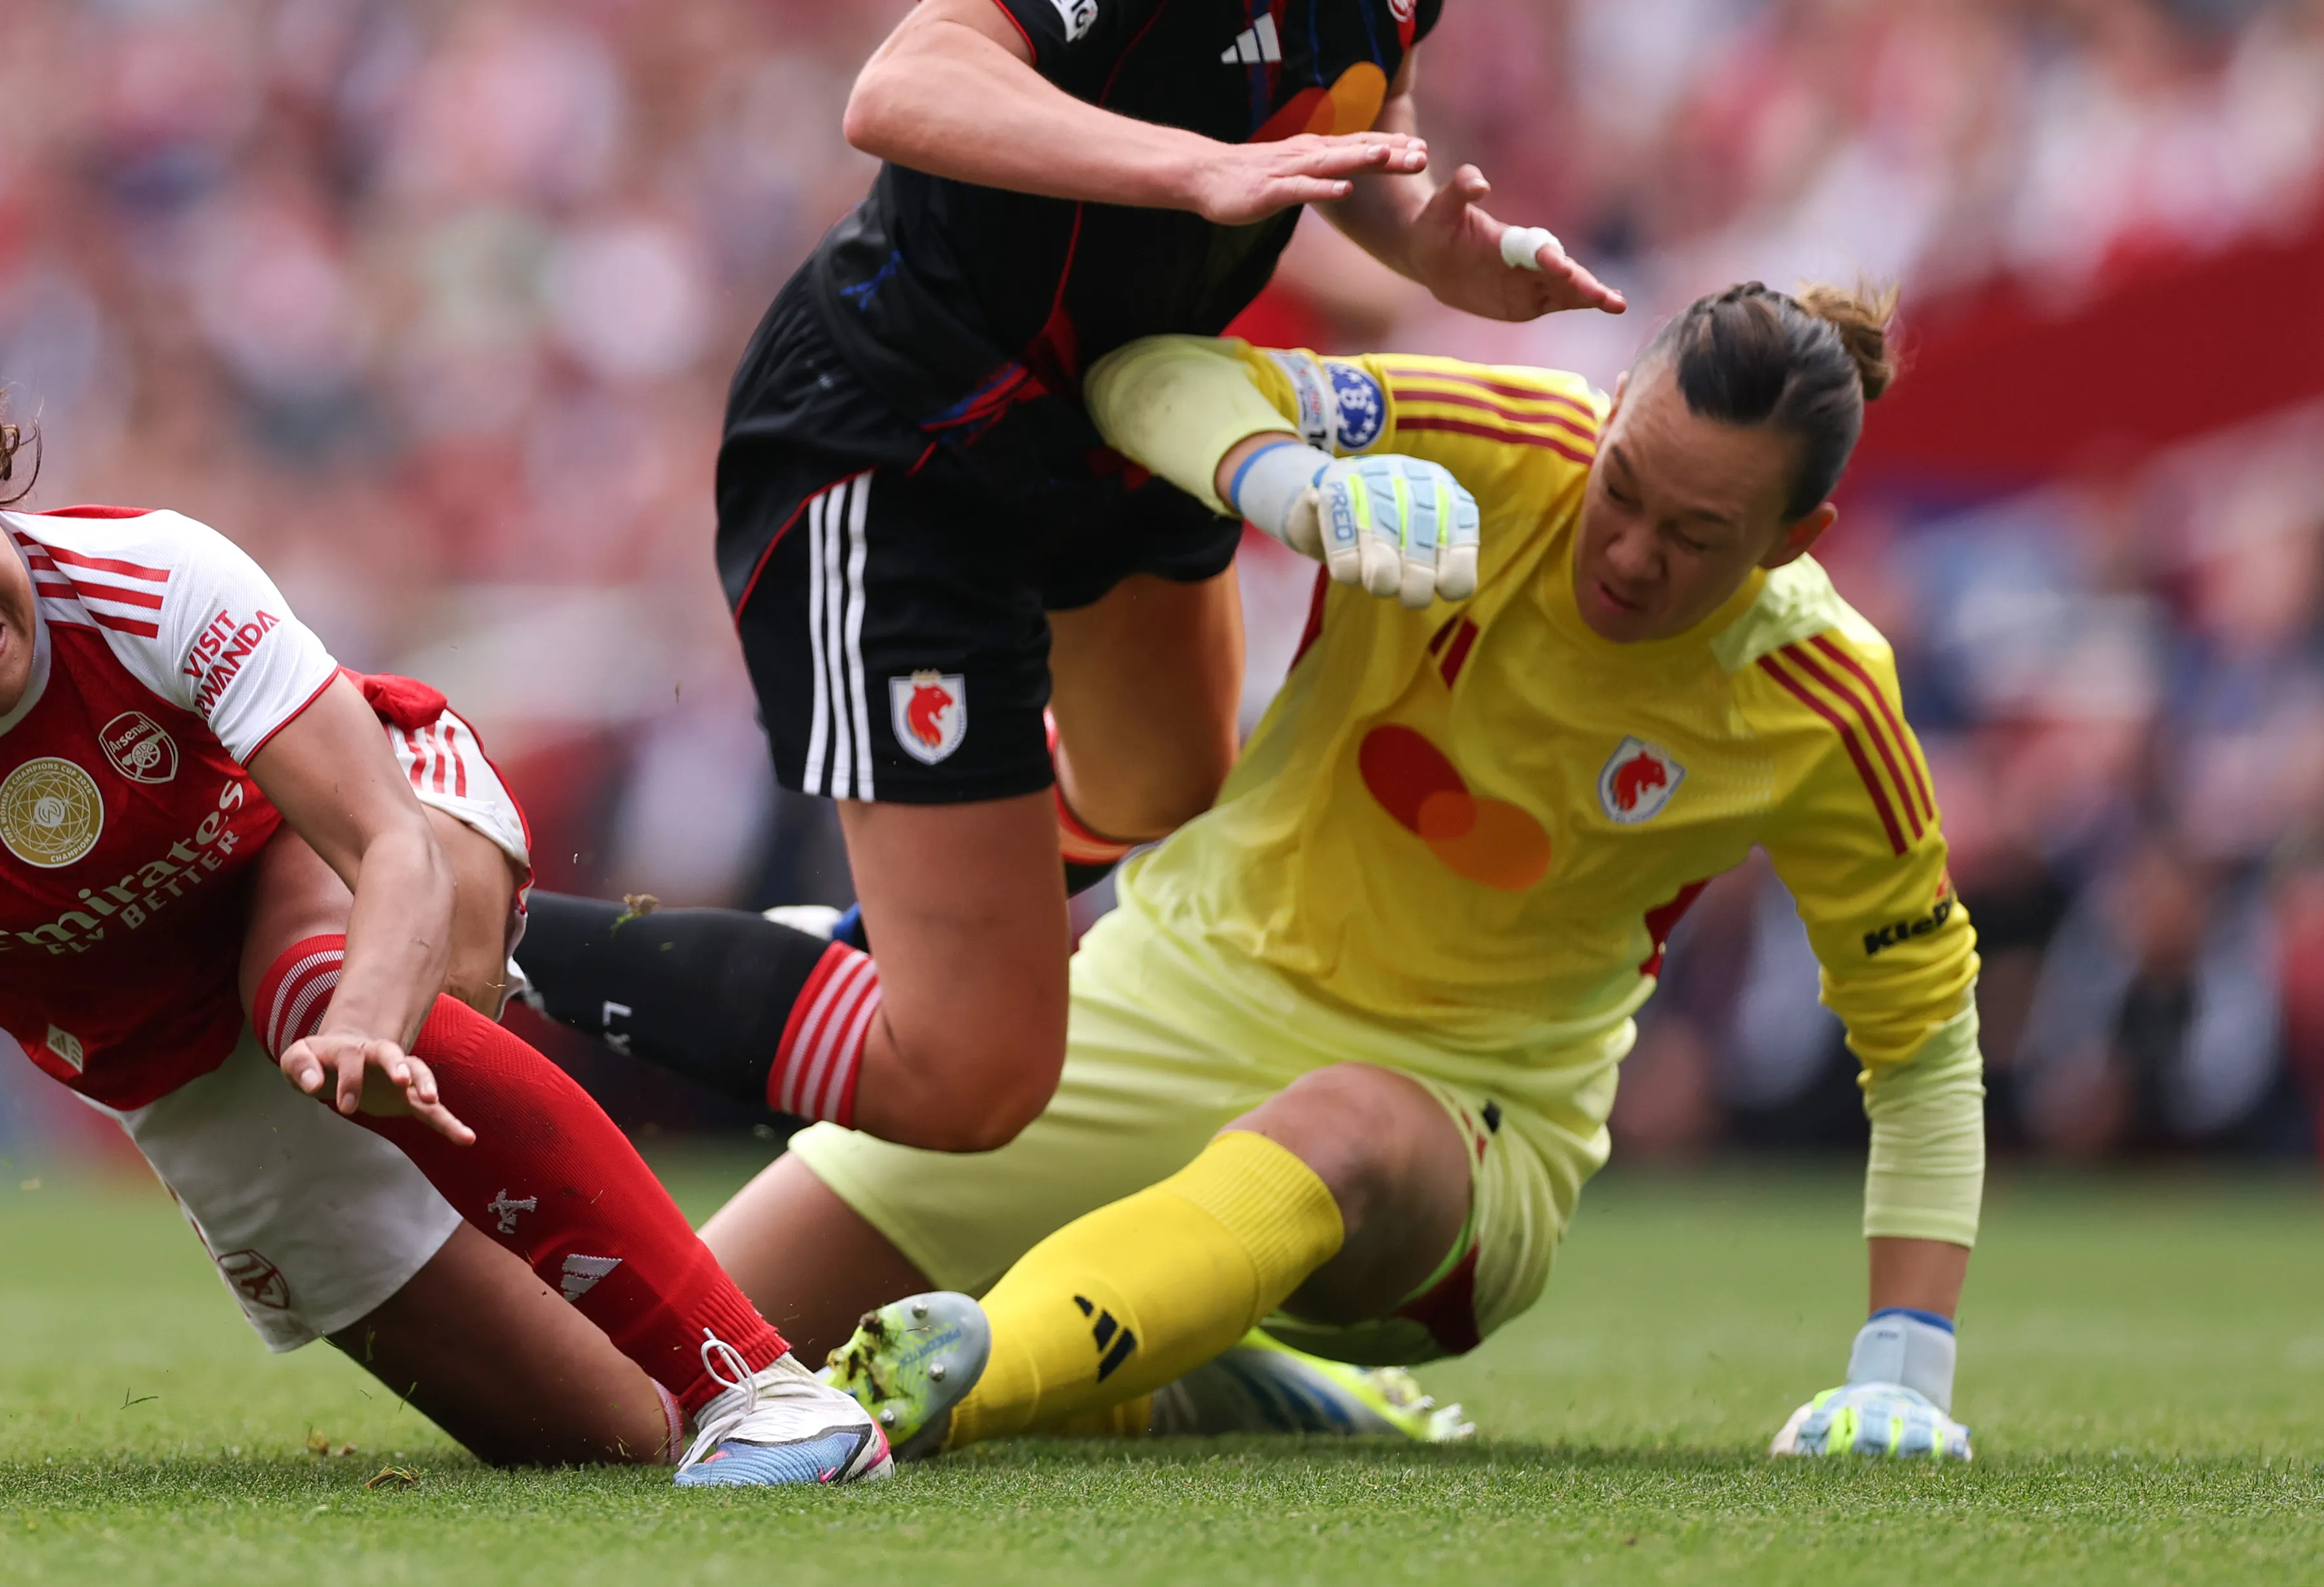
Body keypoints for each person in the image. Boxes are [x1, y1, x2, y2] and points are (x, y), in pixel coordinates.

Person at [514, 0, 1620, 1157]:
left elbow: (1345, 119)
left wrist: (1443, 248)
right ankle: (492, 938)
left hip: (1113, 416)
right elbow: (905, 87)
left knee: (1171, 785)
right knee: (969, 1075)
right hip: (907, 433)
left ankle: (887, 947)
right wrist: (1190, 170)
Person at [0, 316, 884, 1487]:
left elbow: (387, 842)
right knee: (610, 1434)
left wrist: (356, 1011)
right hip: (191, 1073)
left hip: (371, 840)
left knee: (299, 989)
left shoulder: (154, 577)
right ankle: (881, 1369)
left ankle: (764, 1385)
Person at [715, 284, 1983, 1463]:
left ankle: (957, 1385)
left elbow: (1921, 1042)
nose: (1632, 550)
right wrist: (1289, 480)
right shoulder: (1501, 441)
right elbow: (1149, 379)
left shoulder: (1820, 700)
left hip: (1456, 1128)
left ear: (1793, 536)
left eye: (1697, 534)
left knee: (1342, 1121)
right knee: (677, 1343)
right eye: (1623, 486)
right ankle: (1192, 1378)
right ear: (1609, 420)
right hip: (1160, 1002)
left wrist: (1903, 1371)